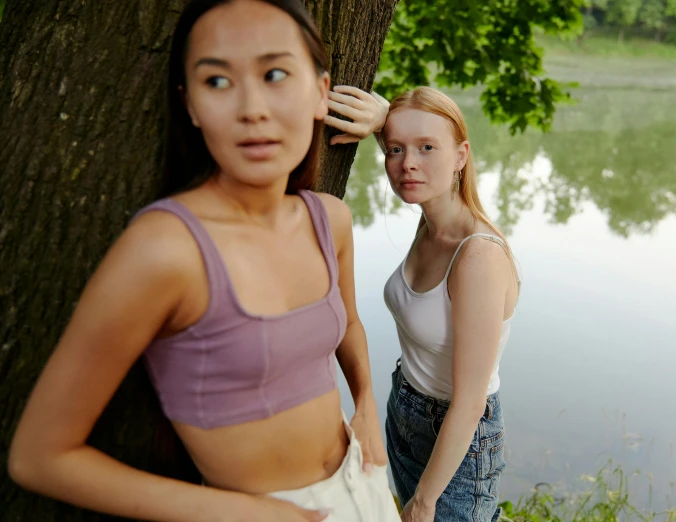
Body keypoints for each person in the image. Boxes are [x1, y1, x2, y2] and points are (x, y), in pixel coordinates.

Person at [7, 1, 400, 521]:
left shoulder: (329, 219)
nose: (252, 108)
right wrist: (247, 515)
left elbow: (348, 323)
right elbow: (40, 458)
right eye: (217, 82)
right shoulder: (166, 250)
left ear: (319, 92)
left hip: (362, 480)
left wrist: (367, 404)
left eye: (276, 74)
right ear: (190, 106)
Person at [379, 87, 521, 522]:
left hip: (457, 438)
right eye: (395, 150)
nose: (408, 164)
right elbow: (412, 161)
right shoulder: (430, 217)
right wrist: (382, 121)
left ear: (461, 155)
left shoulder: (477, 256)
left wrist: (424, 501)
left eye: (427, 148)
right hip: (404, 407)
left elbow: (470, 402)